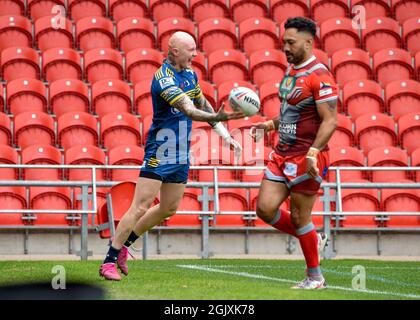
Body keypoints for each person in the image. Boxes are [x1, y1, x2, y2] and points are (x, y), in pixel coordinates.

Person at [99, 32, 245, 280]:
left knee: (168, 208)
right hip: (160, 150)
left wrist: (225, 135)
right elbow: (188, 109)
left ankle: (124, 246)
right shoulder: (163, 79)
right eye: (191, 49)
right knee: (140, 206)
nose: (195, 54)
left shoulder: (190, 74)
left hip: (180, 153)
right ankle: (108, 261)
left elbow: (202, 104)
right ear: (175, 51)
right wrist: (218, 118)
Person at [250, 17, 337, 289]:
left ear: (309, 43)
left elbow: (330, 120)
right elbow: (292, 113)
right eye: (284, 42)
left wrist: (313, 151)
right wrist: (270, 124)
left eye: (291, 42)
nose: (285, 47)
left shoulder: (320, 75)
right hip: (281, 153)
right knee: (264, 209)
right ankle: (312, 237)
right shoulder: (291, 72)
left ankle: (315, 277)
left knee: (300, 217)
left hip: (306, 156)